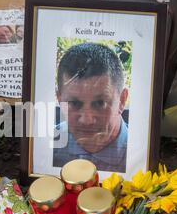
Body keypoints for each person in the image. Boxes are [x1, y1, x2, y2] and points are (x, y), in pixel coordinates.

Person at [53, 42, 129, 172]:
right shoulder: (46, 147)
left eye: (100, 103)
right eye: (74, 103)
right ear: (59, 99)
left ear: (122, 100)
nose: (86, 120)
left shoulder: (141, 155)